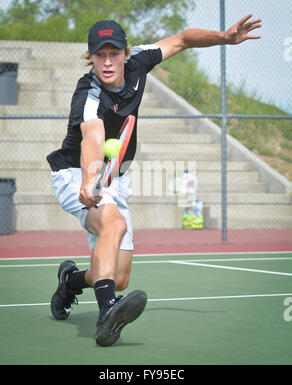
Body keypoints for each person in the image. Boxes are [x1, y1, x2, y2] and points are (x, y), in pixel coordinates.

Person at [46, 15, 262, 347]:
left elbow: (183, 39)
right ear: (90, 56)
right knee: (113, 226)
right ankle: (107, 317)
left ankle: (70, 282)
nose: (107, 62)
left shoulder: (138, 63)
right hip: (75, 172)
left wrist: (224, 37)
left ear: (125, 53)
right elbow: (92, 136)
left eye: (113, 53)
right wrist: (90, 179)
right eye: (99, 55)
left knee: (117, 277)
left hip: (114, 176)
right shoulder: (88, 93)